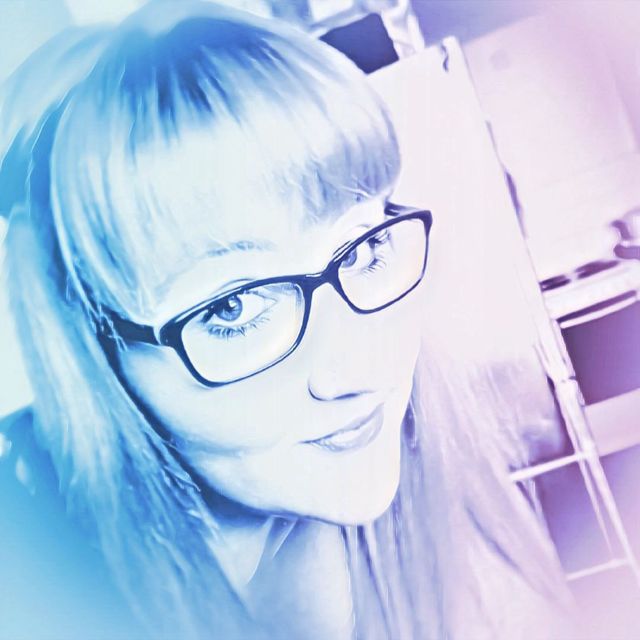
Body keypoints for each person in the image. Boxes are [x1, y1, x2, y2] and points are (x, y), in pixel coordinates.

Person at [0, 2, 575, 638]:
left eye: (361, 250)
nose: (363, 368)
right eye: (233, 307)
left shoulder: (442, 496)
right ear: (92, 350)